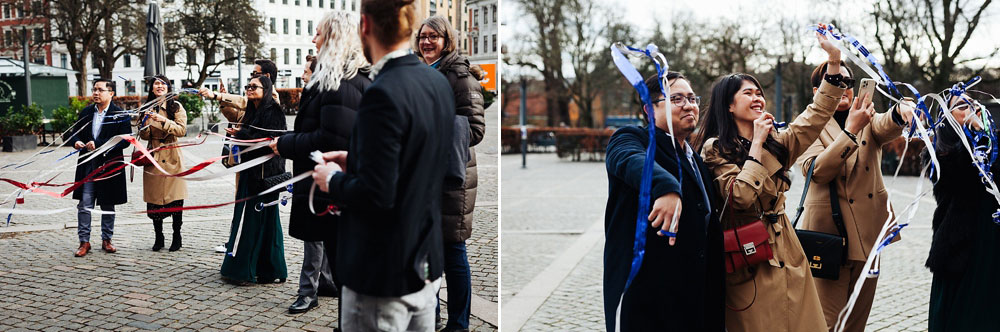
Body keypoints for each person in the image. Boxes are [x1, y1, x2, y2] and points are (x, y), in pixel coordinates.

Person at [311, 0, 454, 329]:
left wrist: (332, 180)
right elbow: (422, 162)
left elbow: (378, 194)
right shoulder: (435, 82)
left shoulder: (383, 92)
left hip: (381, 271)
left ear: (365, 26)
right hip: (425, 263)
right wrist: (356, 159)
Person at [695, 26, 848, 332]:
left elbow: (816, 114)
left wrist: (833, 59)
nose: (758, 99)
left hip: (788, 250)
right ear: (729, 104)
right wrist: (755, 148)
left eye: (760, 93)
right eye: (747, 93)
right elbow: (740, 197)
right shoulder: (715, 148)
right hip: (749, 256)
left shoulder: (778, 141)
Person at [796, 61, 914, 331]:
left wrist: (900, 110)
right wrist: (849, 131)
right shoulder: (807, 124)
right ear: (818, 90)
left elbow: (885, 124)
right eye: (835, 81)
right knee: (827, 323)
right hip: (828, 237)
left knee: (855, 323)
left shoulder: (866, 117)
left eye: (848, 82)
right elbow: (817, 171)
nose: (844, 88)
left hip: (868, 233)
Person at [269, 10, 372, 314]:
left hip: (330, 187)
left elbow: (329, 140)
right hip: (332, 185)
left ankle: (318, 297)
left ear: (334, 37)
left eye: (318, 33)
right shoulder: (344, 76)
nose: (313, 39)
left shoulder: (338, 81)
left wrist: (284, 144)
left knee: (343, 269)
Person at [603, 72, 723, 331]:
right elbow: (628, 159)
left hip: (694, 299)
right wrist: (666, 187)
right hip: (650, 301)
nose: (689, 105)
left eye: (692, 98)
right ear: (649, 108)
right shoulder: (632, 139)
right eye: (676, 98)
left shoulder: (696, 160)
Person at [414, 15, 486, 332]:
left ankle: (459, 324)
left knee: (453, 252)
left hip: (452, 179)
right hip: (424, 177)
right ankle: (433, 316)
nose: (427, 42)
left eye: (434, 36)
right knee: (428, 250)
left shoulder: (460, 76)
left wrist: (430, 130)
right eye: (422, 37)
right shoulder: (422, 73)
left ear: (448, 40)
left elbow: (475, 129)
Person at [924, 94, 1000, 331]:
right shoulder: (939, 152)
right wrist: (977, 136)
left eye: (973, 103)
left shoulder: (993, 145)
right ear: (946, 118)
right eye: (960, 105)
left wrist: (986, 136)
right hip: (961, 245)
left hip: (993, 241)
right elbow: (960, 179)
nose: (971, 108)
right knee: (959, 315)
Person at [200, 59, 281, 253]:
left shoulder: (272, 99)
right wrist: (223, 101)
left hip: (260, 168)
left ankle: (246, 247)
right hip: (245, 163)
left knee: (254, 208)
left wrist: (218, 95)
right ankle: (237, 241)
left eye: (254, 75)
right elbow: (237, 116)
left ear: (266, 77)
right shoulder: (253, 102)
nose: (250, 81)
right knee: (241, 204)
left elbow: (246, 108)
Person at [220, 75, 288, 284]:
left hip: (265, 176)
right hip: (250, 173)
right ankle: (261, 268)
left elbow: (267, 139)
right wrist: (238, 133)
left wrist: (241, 134)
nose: (249, 90)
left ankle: (252, 269)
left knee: (259, 221)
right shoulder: (252, 111)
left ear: (265, 89)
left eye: (254, 87)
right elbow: (251, 134)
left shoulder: (273, 111)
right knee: (249, 219)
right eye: (247, 87)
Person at [70, 78, 132, 257]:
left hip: (109, 165)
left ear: (111, 93)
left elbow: (125, 141)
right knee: (85, 203)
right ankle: (84, 241)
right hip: (88, 165)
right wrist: (76, 142)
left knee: (108, 203)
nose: (96, 93)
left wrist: (98, 144)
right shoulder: (86, 112)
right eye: (94, 89)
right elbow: (73, 132)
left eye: (100, 90)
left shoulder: (120, 114)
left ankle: (107, 239)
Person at [138, 75, 189, 252]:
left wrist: (164, 121)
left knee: (175, 200)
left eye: (163, 83)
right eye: (156, 84)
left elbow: (182, 130)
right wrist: (144, 123)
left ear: (168, 87)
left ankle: (177, 235)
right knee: (154, 202)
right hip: (154, 157)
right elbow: (144, 135)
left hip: (172, 155)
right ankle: (158, 236)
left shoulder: (176, 106)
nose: (159, 86)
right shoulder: (146, 107)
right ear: (152, 88)